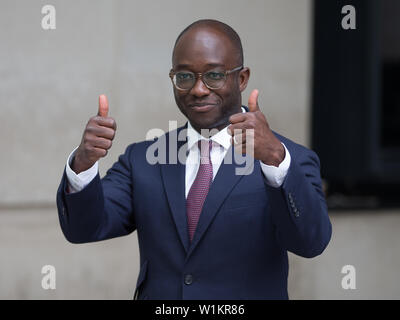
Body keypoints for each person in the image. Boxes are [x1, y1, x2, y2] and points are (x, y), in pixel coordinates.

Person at [56, 19, 332, 300]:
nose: (198, 89)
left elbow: (311, 242)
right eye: (185, 77)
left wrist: (274, 158)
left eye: (214, 75)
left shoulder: (287, 158)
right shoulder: (143, 160)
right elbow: (83, 228)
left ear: (242, 78)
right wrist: (84, 162)